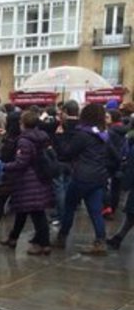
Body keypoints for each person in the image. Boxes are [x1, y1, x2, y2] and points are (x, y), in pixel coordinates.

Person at [54, 102, 117, 255]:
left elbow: (66, 153)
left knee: (69, 207)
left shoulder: (83, 135)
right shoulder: (105, 135)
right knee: (95, 210)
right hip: (98, 177)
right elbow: (115, 157)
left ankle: (62, 237)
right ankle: (100, 242)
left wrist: (59, 136)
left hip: (81, 176)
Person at [0, 108, 53, 255]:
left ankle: (44, 243)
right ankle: (13, 237)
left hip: (28, 180)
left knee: (37, 213)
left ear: (22, 124)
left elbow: (21, 162)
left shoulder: (24, 140)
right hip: (40, 176)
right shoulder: (42, 136)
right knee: (23, 210)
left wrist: (3, 166)